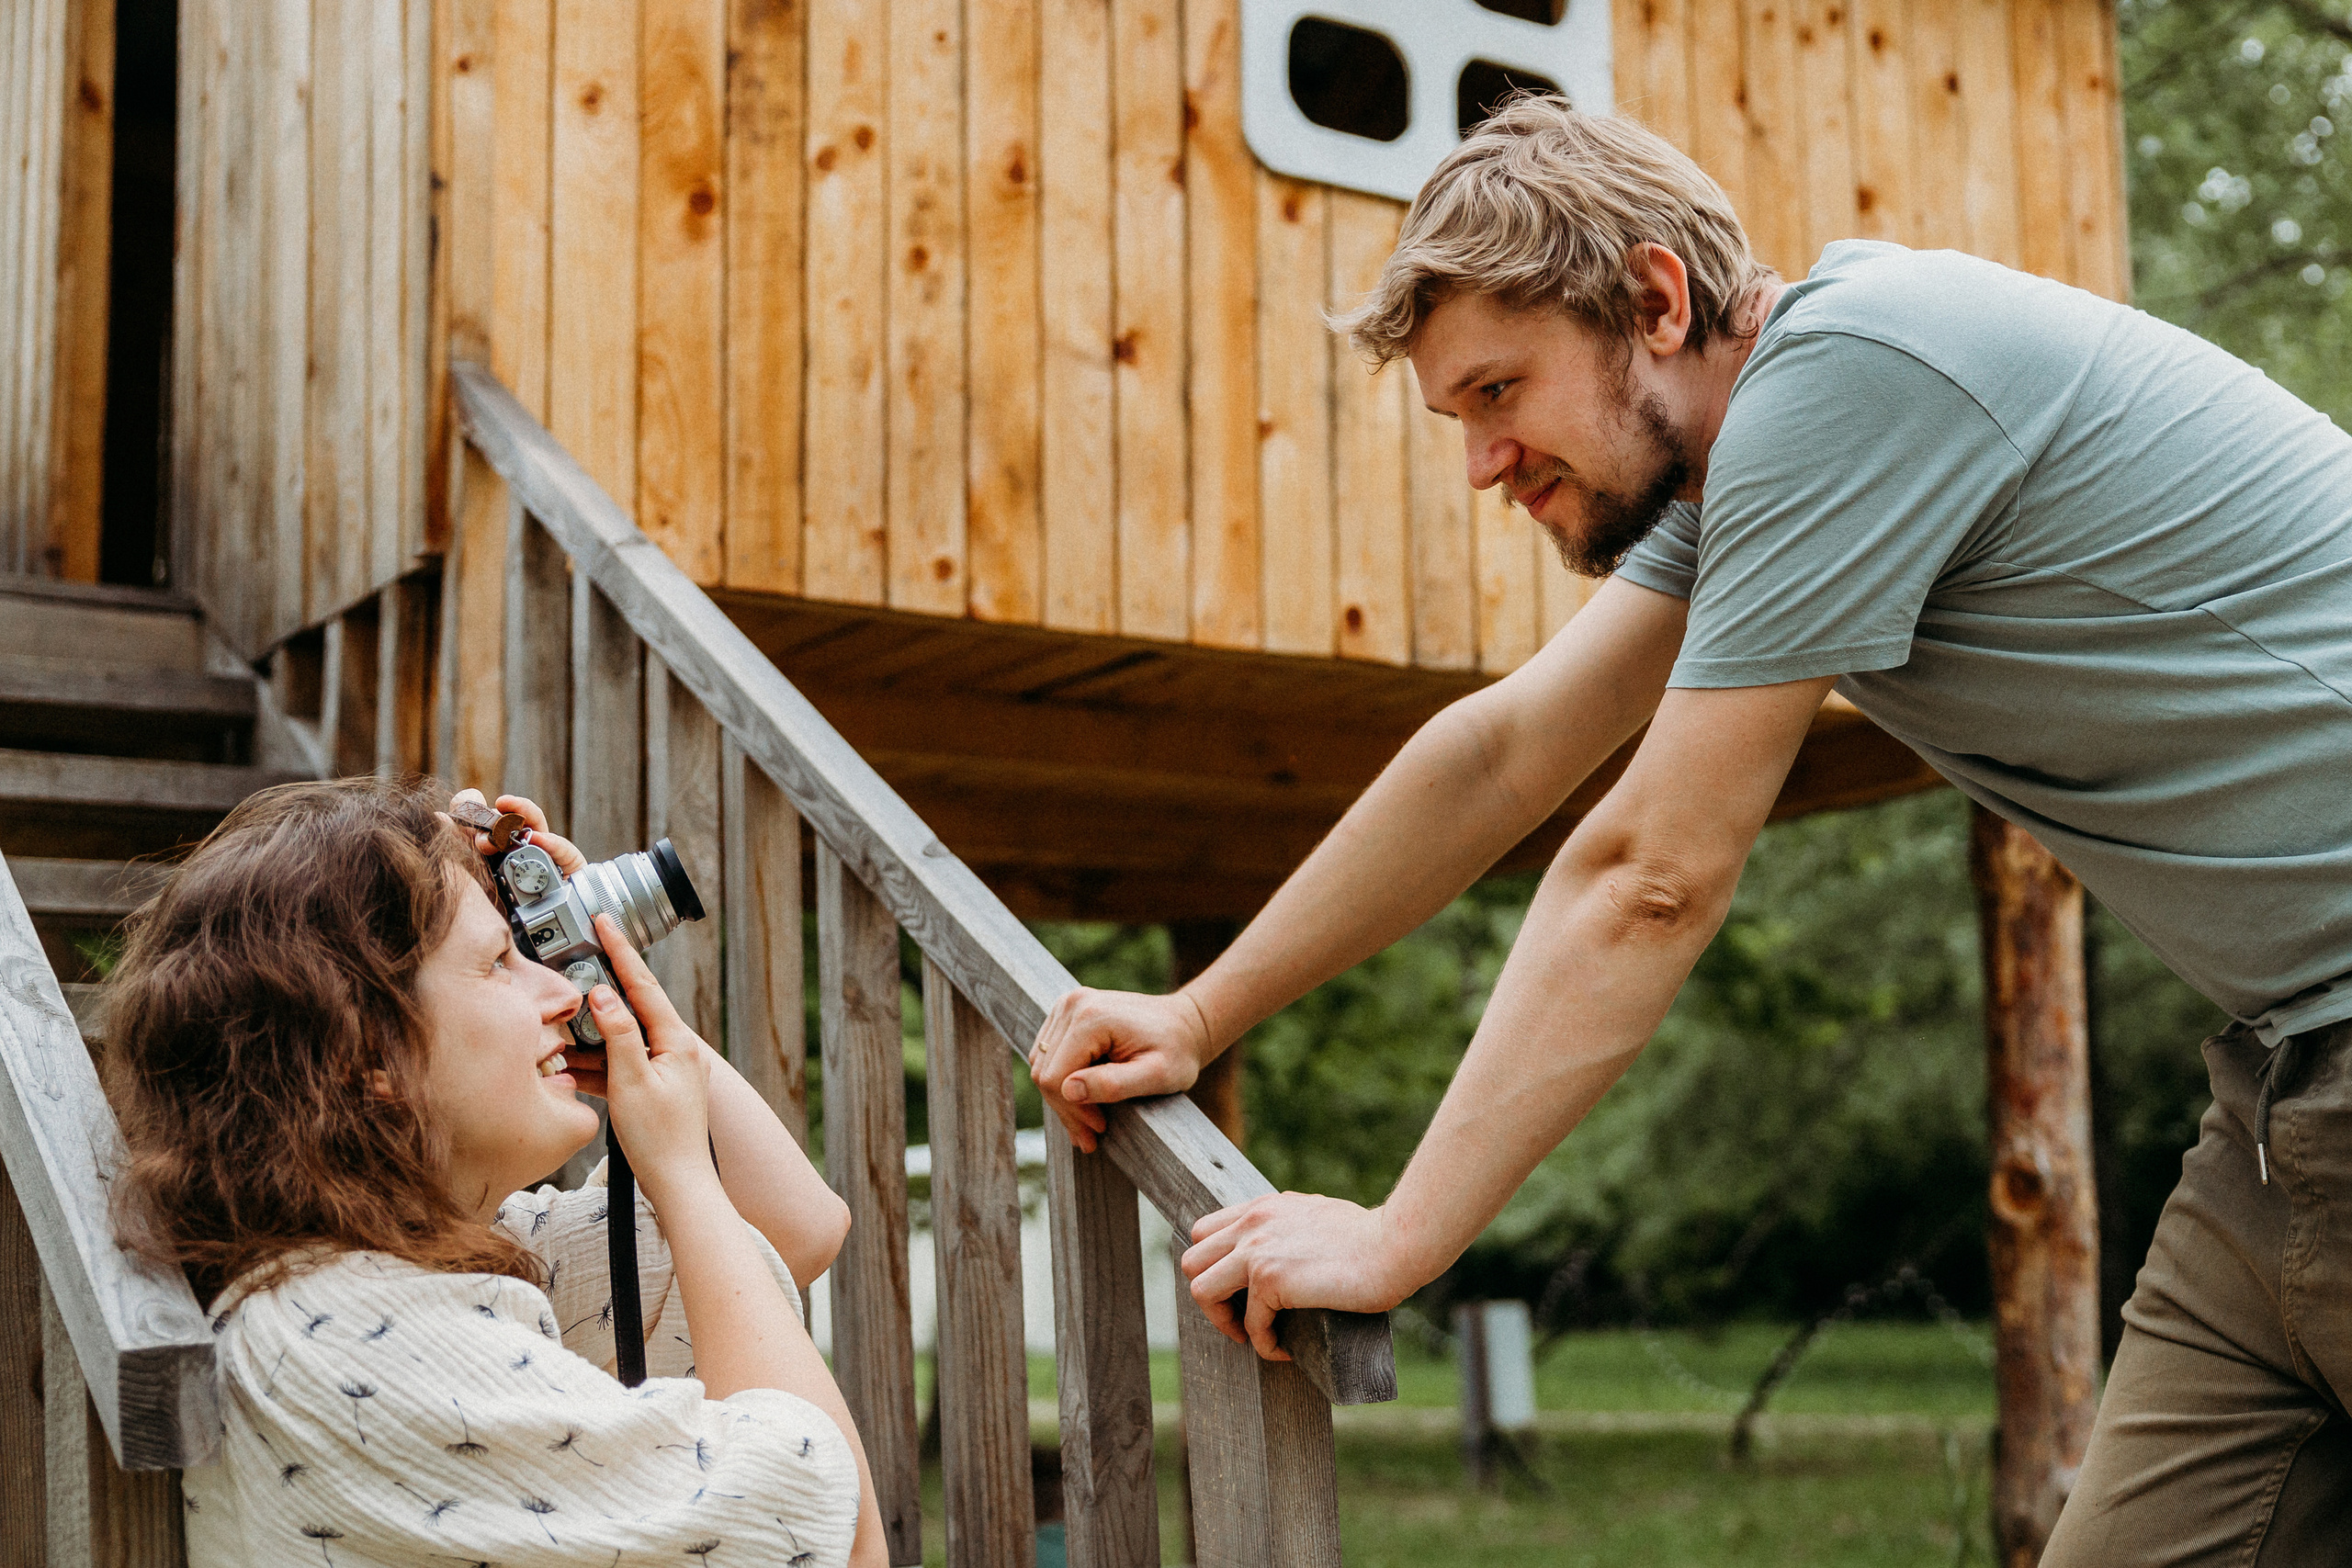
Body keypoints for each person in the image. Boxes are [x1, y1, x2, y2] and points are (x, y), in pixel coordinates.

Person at [1027, 96, 2352, 1561]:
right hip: (2285, 1100)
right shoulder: (1753, 459)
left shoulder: (1857, 376)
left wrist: (1401, 1234)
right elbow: (1507, 752)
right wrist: (1202, 1009)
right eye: (1457, 417)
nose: (1482, 461)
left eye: (1499, 391)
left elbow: (1652, 874)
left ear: (1656, 301)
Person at [106, 778, 887, 1567]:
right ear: (367, 1053)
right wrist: (680, 1171)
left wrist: (588, 948)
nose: (562, 992)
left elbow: (795, 1228)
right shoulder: (370, 1348)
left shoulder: (404, 1269)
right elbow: (839, 1538)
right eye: (500, 962)